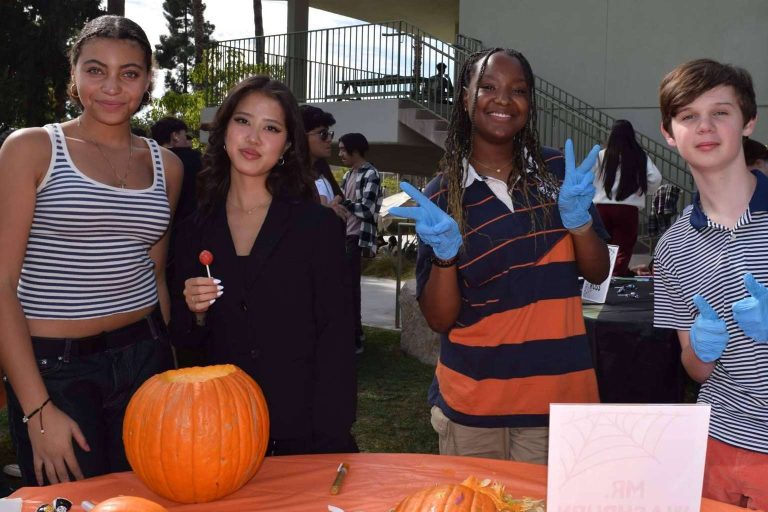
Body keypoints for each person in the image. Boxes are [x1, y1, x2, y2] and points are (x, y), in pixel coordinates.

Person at [390, 48, 609, 464]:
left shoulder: (560, 172)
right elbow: (439, 319)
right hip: (473, 403)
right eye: (488, 87)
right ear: (465, 97)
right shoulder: (440, 195)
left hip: (557, 398)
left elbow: (596, 272)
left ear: (531, 102)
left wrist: (579, 222)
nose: (503, 99)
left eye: (518, 90)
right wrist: (444, 258)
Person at [0, 15, 182, 486]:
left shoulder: (168, 166)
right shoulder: (33, 148)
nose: (112, 87)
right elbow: (2, 287)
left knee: (147, 495)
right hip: (55, 372)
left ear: (147, 82)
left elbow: (155, 273)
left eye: (130, 72)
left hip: (145, 359)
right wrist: (37, 409)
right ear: (74, 75)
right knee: (72, 500)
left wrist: (168, 372)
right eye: (96, 69)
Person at [170, 75, 357, 456]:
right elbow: (187, 343)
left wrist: (331, 438)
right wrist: (197, 314)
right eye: (243, 122)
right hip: (221, 433)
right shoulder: (194, 229)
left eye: (270, 128)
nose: (253, 138)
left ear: (288, 144)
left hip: (303, 432)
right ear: (224, 133)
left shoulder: (316, 227)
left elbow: (336, 343)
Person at [654, 59, 768, 509]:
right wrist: (701, 349)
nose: (705, 126)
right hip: (724, 445)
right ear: (669, 133)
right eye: (688, 116)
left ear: (748, 121)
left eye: (720, 112)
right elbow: (694, 370)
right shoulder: (672, 247)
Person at [333, 133, 383, 354]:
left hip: (357, 238)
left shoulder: (370, 174)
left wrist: (343, 201)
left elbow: (367, 210)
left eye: (343, 150)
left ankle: (355, 341)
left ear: (355, 151)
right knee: (345, 288)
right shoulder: (348, 175)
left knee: (350, 289)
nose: (340, 153)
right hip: (345, 237)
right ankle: (356, 334)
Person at [592, 119, 662, 276]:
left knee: (601, 244)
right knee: (623, 246)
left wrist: (596, 191)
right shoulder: (639, 155)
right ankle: (616, 275)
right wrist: (642, 191)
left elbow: (588, 177)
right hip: (627, 208)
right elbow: (655, 178)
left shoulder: (602, 155)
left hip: (601, 207)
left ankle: (599, 277)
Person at [150, 117, 202, 225]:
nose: (187, 139)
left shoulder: (149, 160)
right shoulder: (192, 158)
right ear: (175, 136)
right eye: (184, 135)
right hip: (190, 225)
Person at [299, 105, 343, 205]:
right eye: (323, 134)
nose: (329, 139)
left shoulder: (321, 170)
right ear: (301, 136)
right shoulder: (287, 178)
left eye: (329, 133)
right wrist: (326, 213)